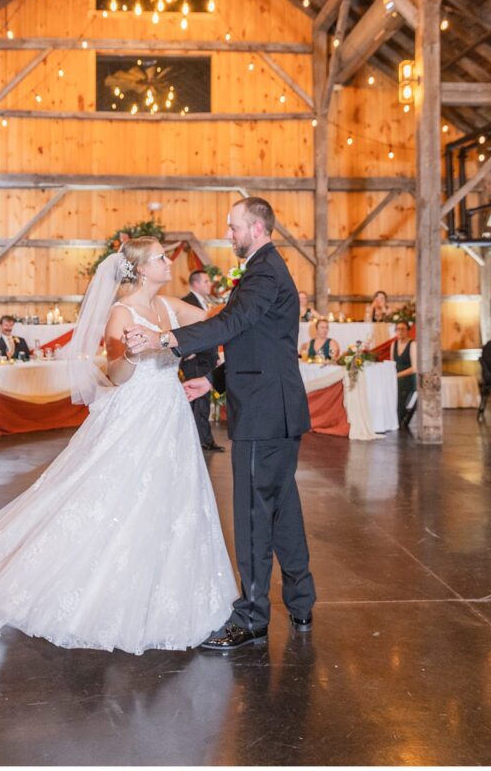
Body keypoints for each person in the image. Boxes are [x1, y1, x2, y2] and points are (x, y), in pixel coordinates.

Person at [0, 238, 237, 654]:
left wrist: (238, 300)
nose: (169, 262)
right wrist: (130, 351)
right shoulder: (120, 314)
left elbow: (217, 323)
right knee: (119, 498)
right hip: (136, 414)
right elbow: (117, 374)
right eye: (162, 257)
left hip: (171, 413)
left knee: (172, 498)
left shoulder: (170, 307)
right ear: (142, 269)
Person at [126, 197, 316, 651]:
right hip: (275, 407)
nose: (228, 235)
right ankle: (301, 599)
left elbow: (234, 321)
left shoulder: (265, 270)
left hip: (265, 413)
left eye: (233, 228)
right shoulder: (265, 269)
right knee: (282, 506)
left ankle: (250, 617)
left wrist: (166, 339)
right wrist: (211, 379)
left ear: (256, 227)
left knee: (253, 514)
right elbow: (259, 343)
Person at [180, 270, 225, 452]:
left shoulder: (206, 303)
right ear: (196, 284)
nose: (209, 284)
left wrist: (214, 356)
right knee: (199, 401)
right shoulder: (186, 302)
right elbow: (182, 329)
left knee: (202, 401)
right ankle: (201, 440)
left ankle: (200, 439)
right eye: (206, 281)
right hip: (195, 358)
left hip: (206, 357)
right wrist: (187, 351)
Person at [392, 320, 417, 429]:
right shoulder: (394, 344)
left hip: (408, 377)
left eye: (403, 329)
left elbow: (415, 368)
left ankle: (398, 417)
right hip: (396, 375)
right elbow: (392, 363)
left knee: (399, 385)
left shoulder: (413, 344)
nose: (400, 331)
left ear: (408, 331)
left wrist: (398, 375)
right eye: (398, 329)